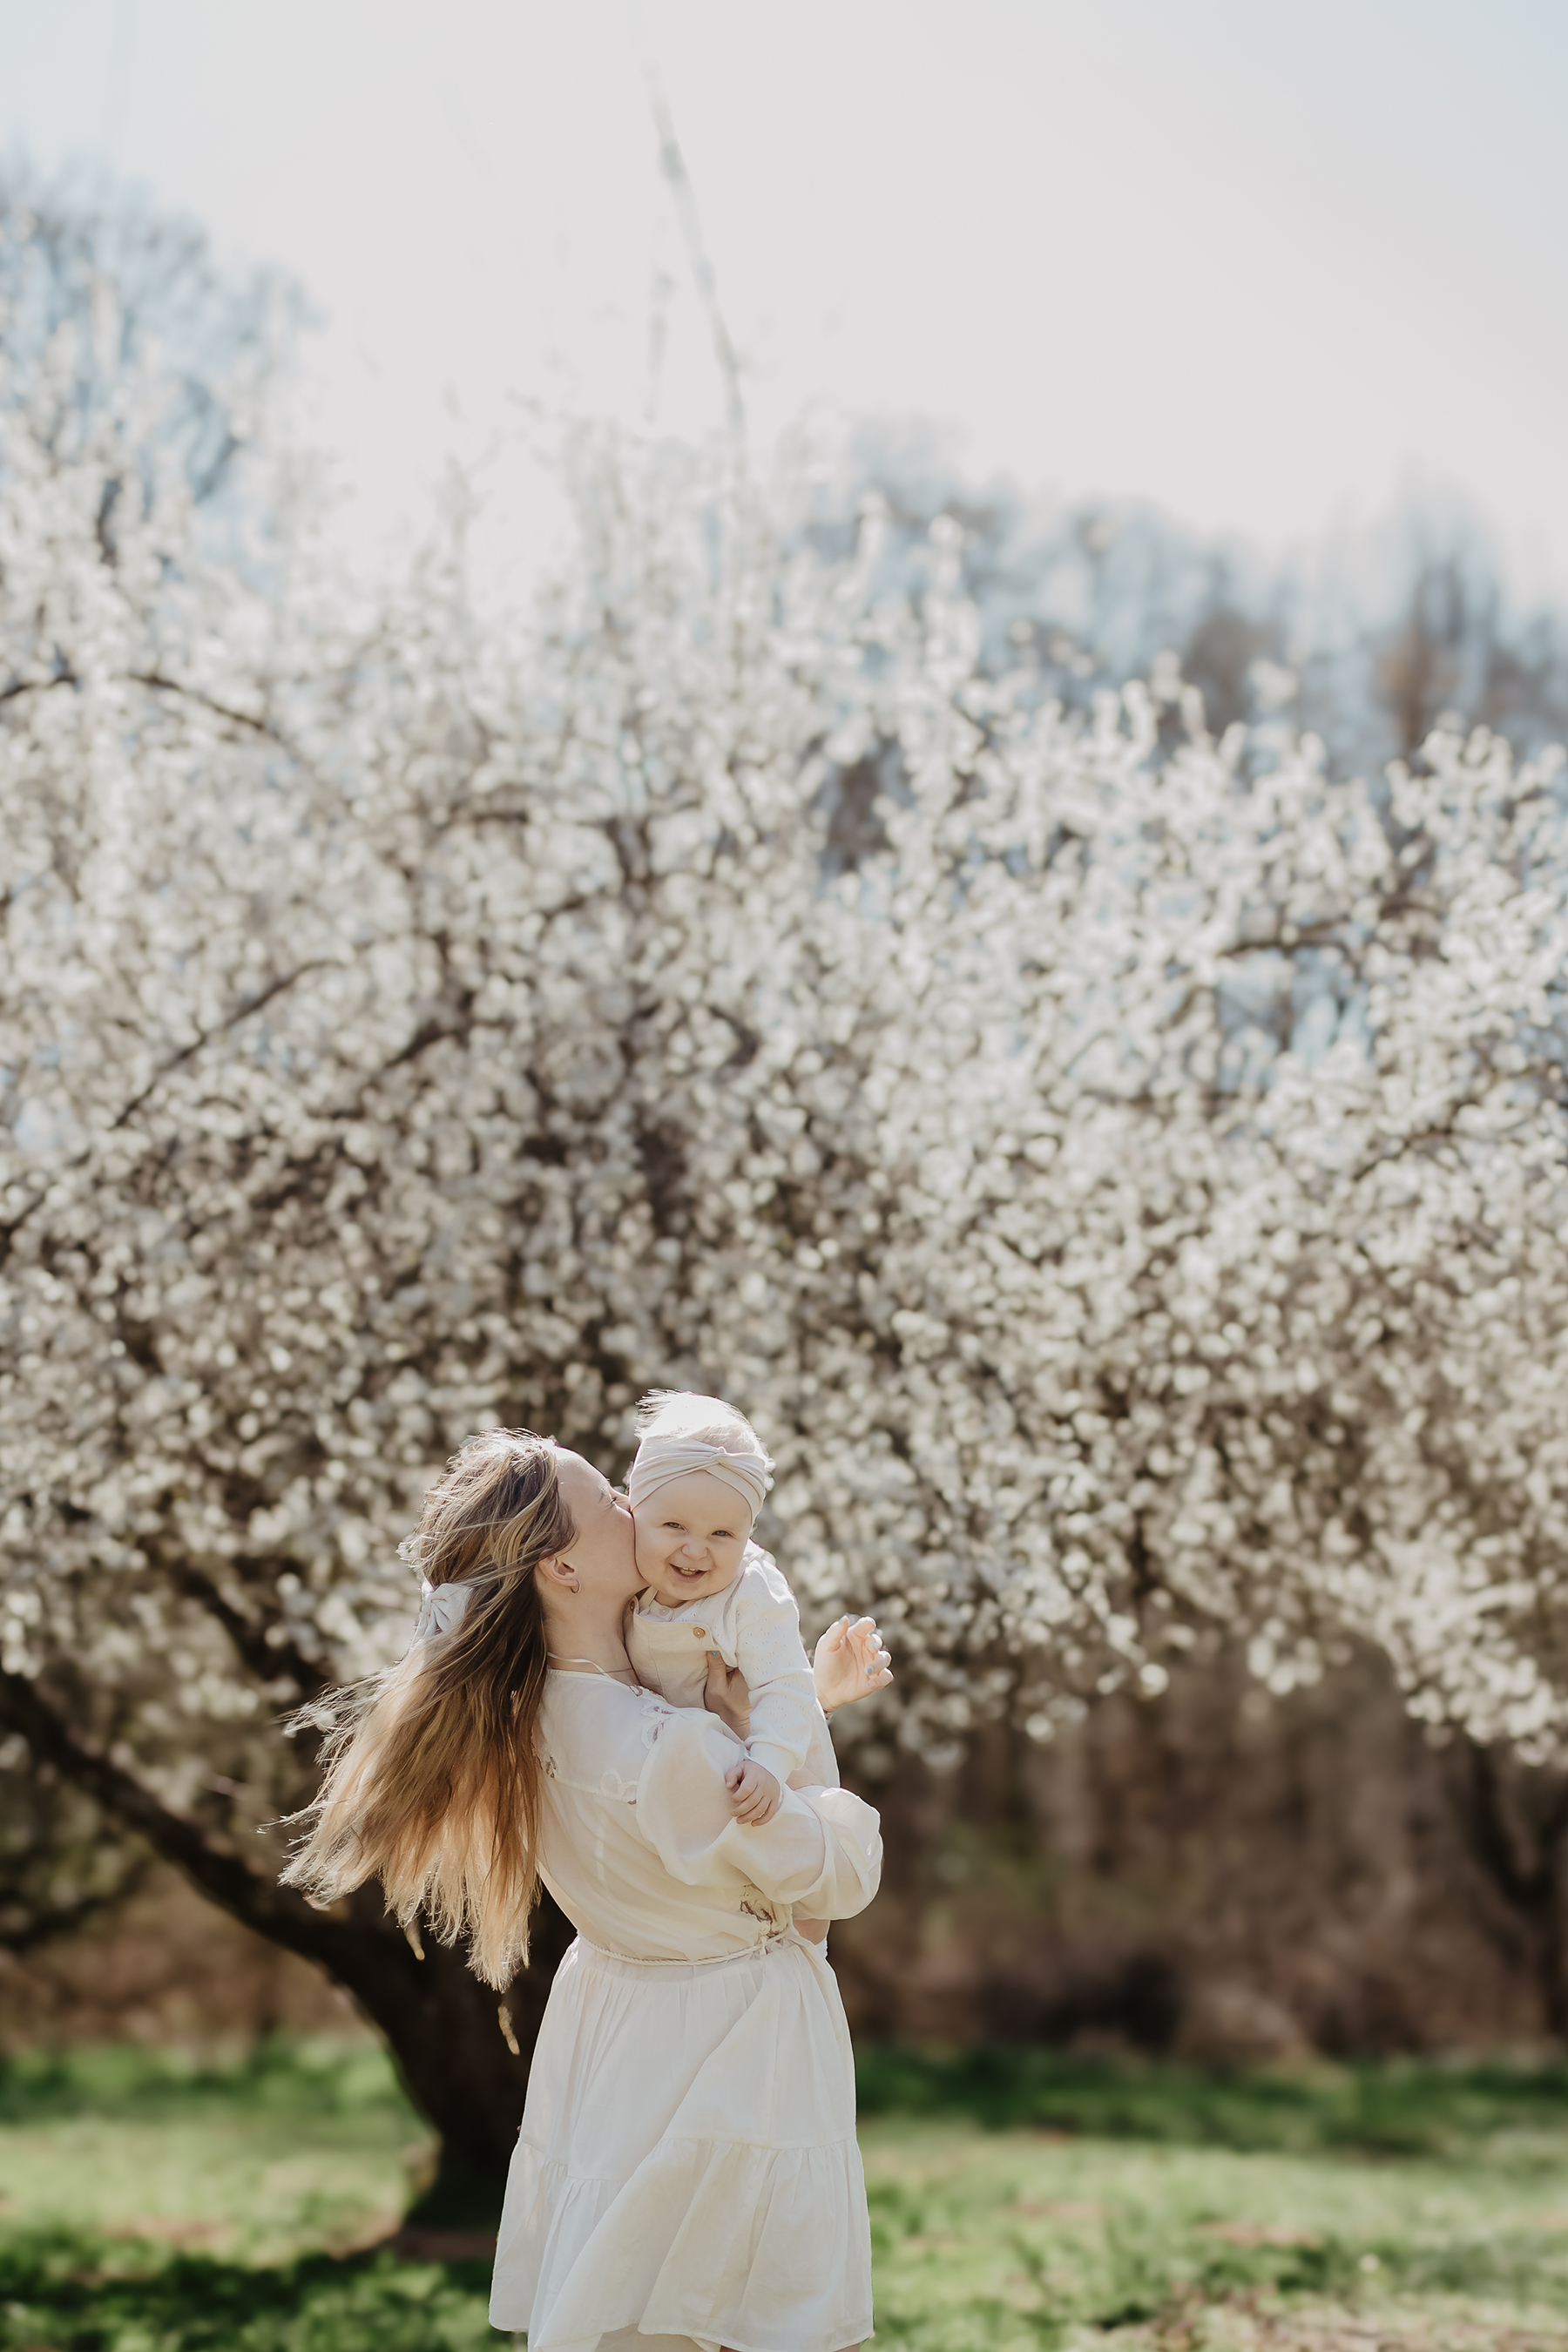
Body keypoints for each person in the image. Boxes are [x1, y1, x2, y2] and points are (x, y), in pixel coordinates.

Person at [283, 1426, 891, 2352]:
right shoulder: (670, 1746)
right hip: (733, 2049)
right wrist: (789, 1736)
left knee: (637, 2297)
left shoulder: (537, 1717)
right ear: (561, 1568)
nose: (632, 1506)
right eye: (609, 1496)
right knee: (740, 2316)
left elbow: (702, 1820)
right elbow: (839, 1873)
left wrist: (788, 1704)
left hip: (626, 2033)